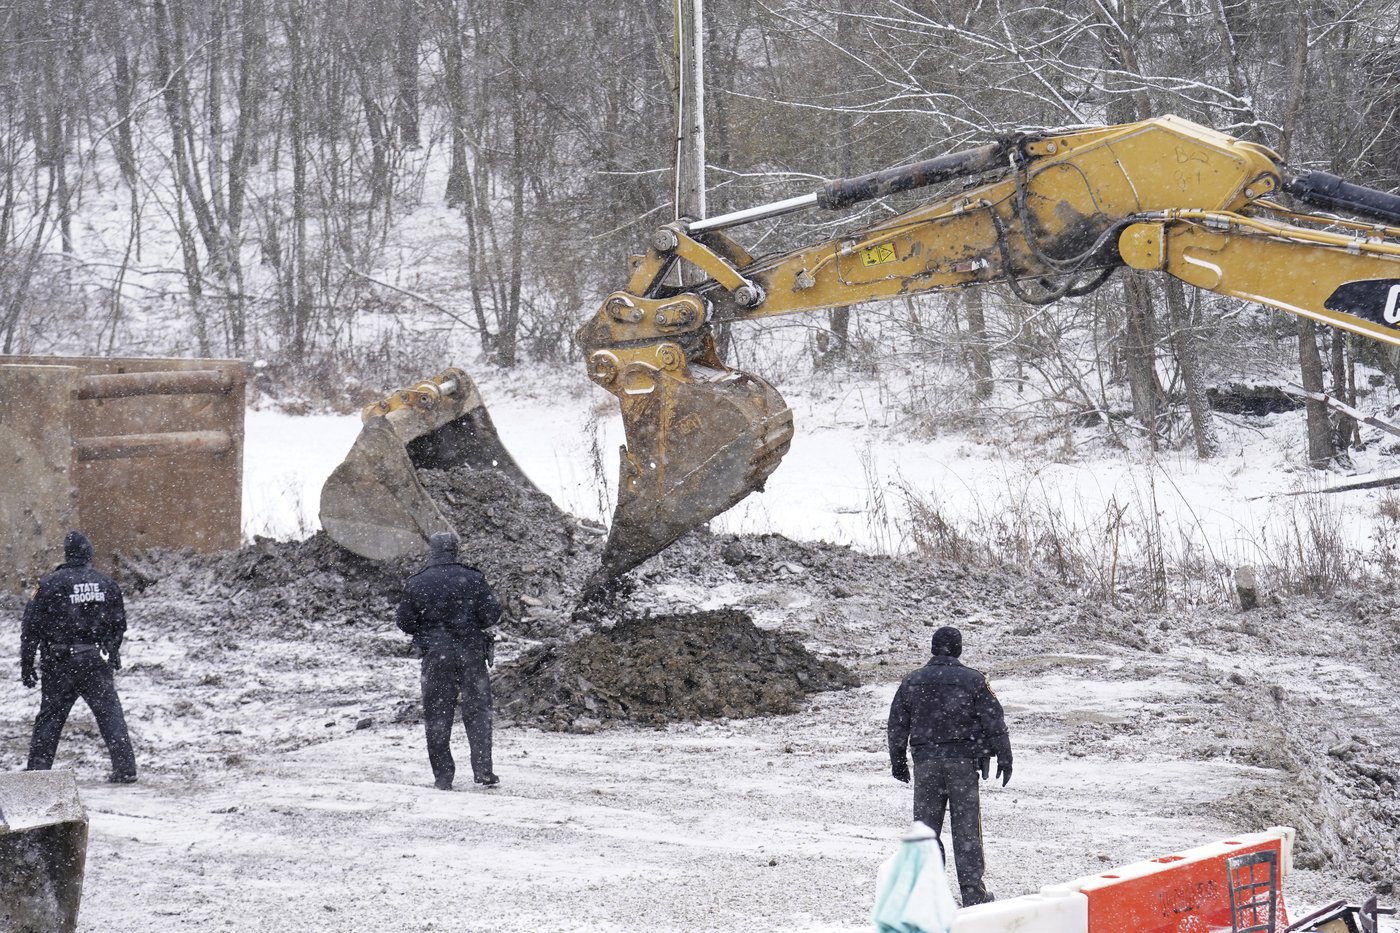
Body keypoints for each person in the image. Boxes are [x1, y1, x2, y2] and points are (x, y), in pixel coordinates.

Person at [887, 625, 1011, 907]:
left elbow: (897, 725)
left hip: (926, 763)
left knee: (926, 831)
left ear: (933, 648)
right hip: (962, 764)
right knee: (966, 830)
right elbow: (994, 720)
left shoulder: (912, 681)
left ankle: (929, 894)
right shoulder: (973, 680)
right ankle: (973, 894)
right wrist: (1005, 756)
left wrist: (898, 761)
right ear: (958, 649)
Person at [21, 531, 137, 783]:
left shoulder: (49, 584)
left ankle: (38, 773)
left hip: (60, 662)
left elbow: (30, 627)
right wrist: (113, 650)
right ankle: (126, 769)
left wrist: (27, 663)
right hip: (95, 659)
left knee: (50, 719)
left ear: (67, 554)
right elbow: (119, 624)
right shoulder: (106, 583)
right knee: (110, 715)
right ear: (89, 554)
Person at [396, 531, 502, 791]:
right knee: (478, 711)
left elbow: (405, 622)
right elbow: (491, 614)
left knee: (437, 714)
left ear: (432, 550)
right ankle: (483, 770)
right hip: (471, 654)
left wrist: (429, 629)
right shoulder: (473, 578)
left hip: (435, 656)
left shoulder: (417, 582)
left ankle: (443, 777)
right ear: (455, 550)